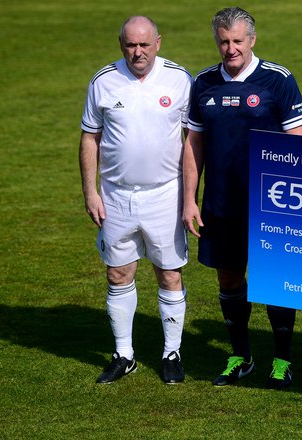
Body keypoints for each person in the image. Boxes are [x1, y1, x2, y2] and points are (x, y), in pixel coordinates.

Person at [183, 7, 302, 390]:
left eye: (238, 41)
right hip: (221, 202)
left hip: (270, 204)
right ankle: (241, 356)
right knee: (230, 276)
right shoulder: (203, 83)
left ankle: (282, 360)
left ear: (252, 40)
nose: (230, 49)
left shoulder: (278, 80)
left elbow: (297, 139)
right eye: (224, 41)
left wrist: (294, 201)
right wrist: (190, 198)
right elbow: (194, 143)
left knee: (274, 278)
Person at [79, 16, 193, 384]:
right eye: (131, 45)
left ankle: (171, 353)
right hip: (115, 196)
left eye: (145, 45)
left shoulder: (180, 79)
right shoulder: (102, 81)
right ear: (121, 44)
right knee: (117, 272)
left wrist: (190, 196)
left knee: (169, 273)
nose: (138, 52)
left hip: (165, 193)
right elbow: (89, 139)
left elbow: (194, 140)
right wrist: (90, 192)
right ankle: (123, 354)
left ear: (158, 42)